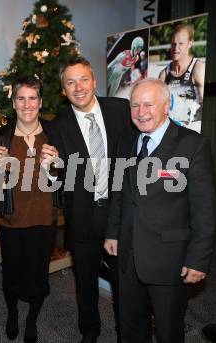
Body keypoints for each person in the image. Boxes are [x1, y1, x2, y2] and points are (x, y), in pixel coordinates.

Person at [104, 79, 216, 343]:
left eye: (148, 104)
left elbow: (205, 209)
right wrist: (112, 232)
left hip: (170, 261)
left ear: (166, 106)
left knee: (168, 332)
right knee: (130, 327)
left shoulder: (192, 145)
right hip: (128, 256)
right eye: (135, 105)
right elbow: (119, 192)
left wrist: (198, 259)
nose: (141, 112)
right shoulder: (126, 141)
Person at [50, 56, 132, 343]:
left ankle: (127, 329)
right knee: (85, 280)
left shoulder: (121, 110)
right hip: (83, 215)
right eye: (70, 82)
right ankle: (90, 330)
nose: (79, 87)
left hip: (119, 211)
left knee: (124, 278)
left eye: (83, 79)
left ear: (94, 81)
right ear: (63, 90)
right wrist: (53, 169)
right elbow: (56, 180)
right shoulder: (57, 126)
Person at [0, 76, 59, 343]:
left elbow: (62, 181)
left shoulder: (54, 134)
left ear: (40, 102)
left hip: (44, 218)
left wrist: (55, 165)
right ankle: (11, 314)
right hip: (12, 219)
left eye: (33, 98)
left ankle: (32, 319)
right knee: (12, 274)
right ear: (14, 102)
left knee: (38, 274)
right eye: (21, 98)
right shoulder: (1, 137)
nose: (27, 104)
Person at [158, 24, 205, 130]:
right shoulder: (164, 74)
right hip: (172, 130)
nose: (176, 48)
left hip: (193, 129)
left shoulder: (197, 68)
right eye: (173, 44)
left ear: (190, 44)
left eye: (181, 44)